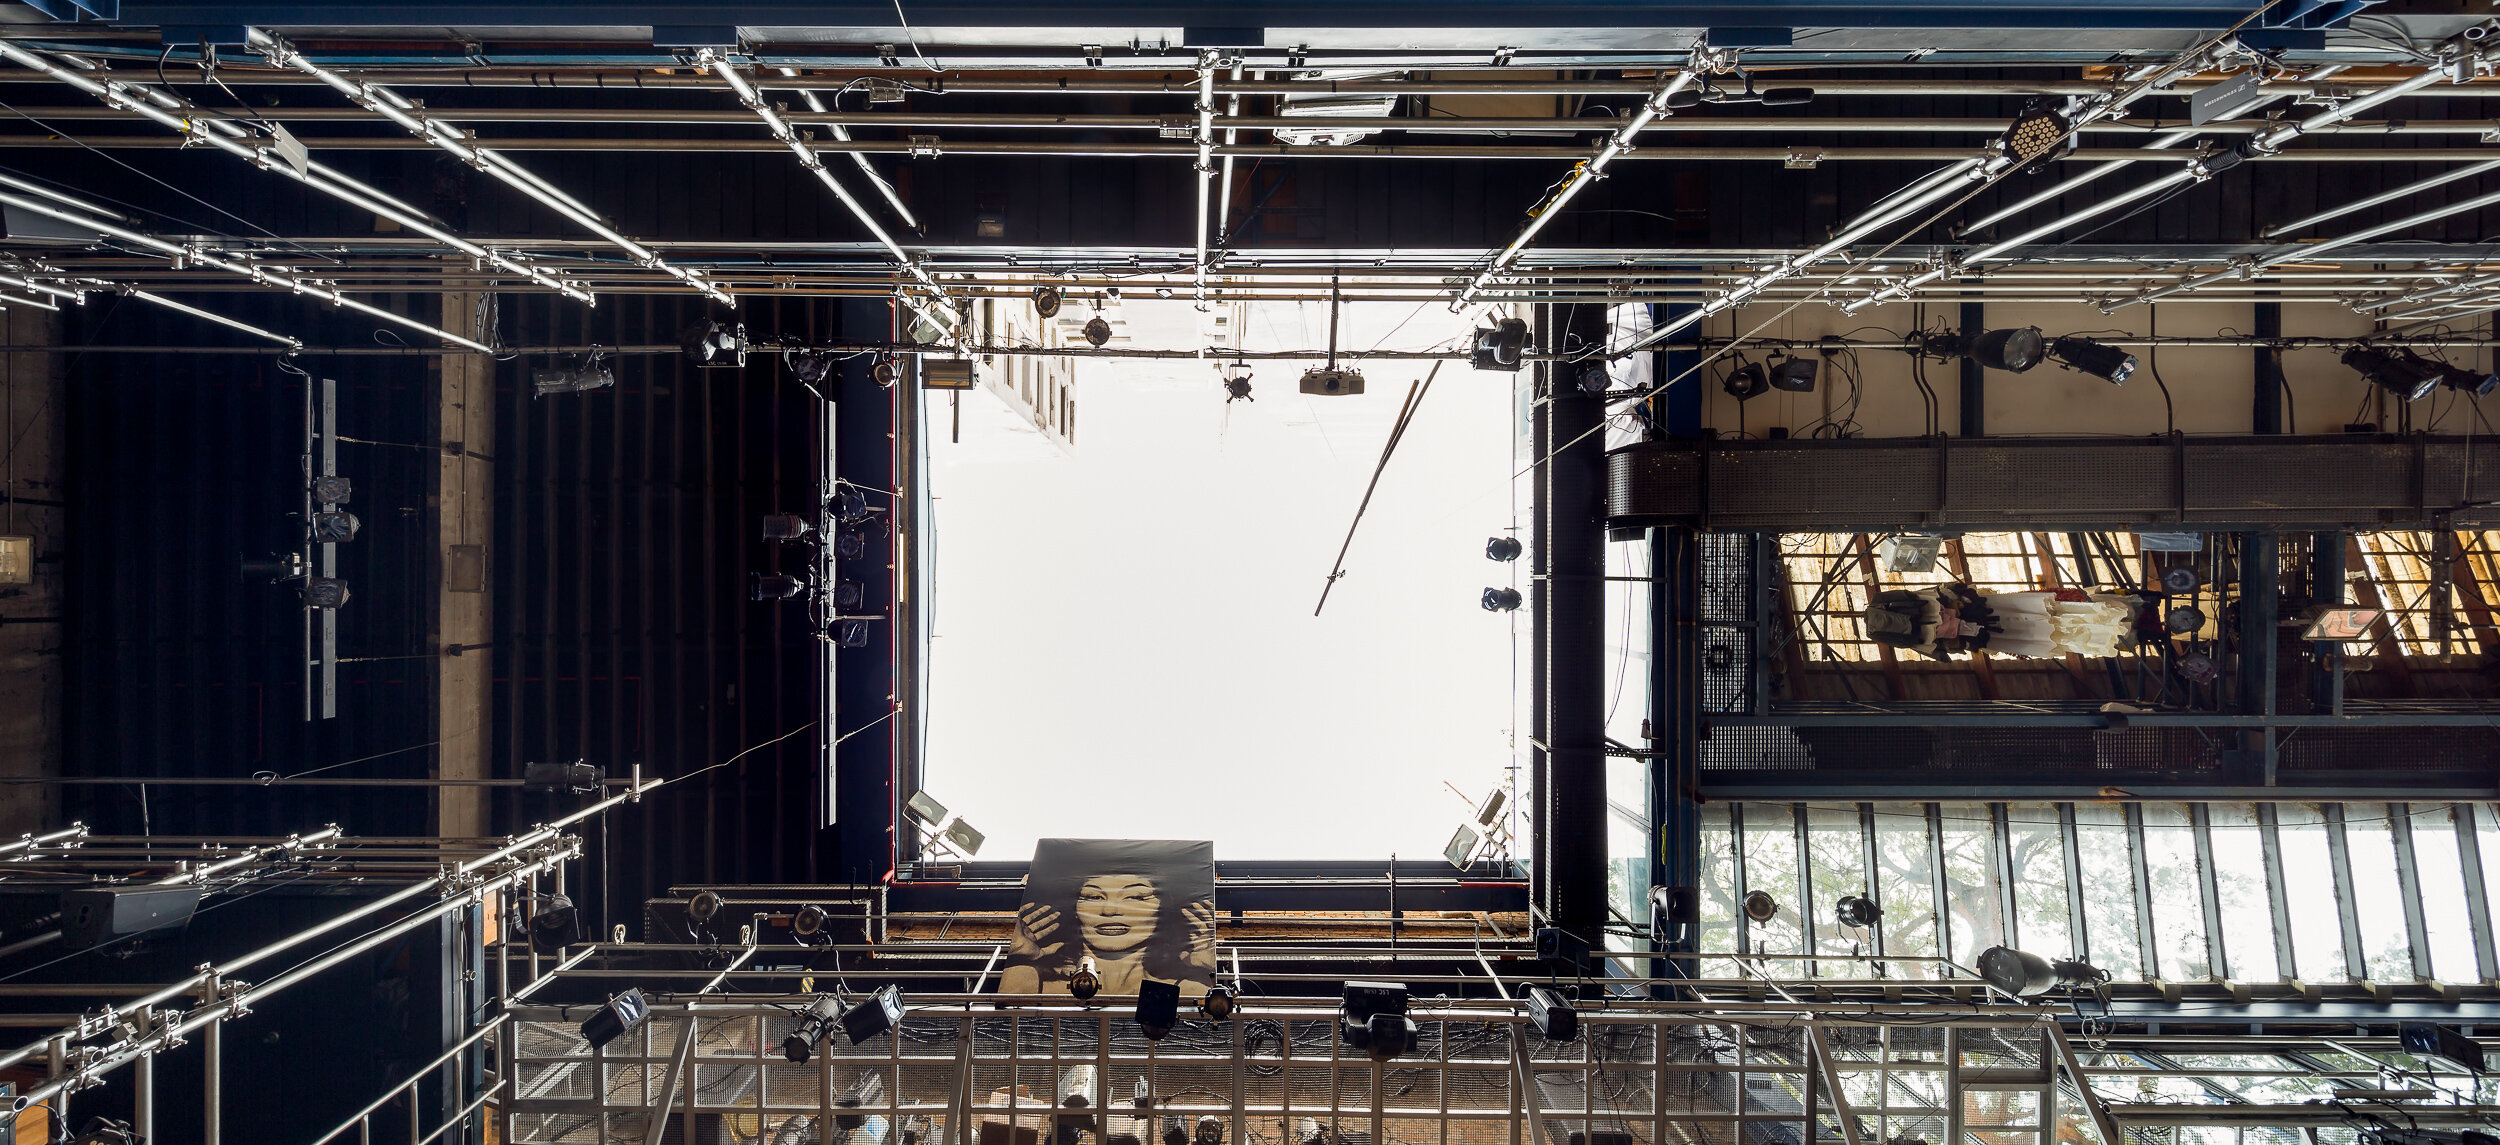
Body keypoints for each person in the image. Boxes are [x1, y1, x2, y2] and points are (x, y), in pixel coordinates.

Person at [1000, 870, 1216, 997]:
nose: (1110, 911)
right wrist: (1019, 963)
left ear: (1162, 909)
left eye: (1136, 897)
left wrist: (1208, 973)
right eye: (1094, 897)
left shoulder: (1185, 990)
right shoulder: (1034, 983)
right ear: (1075, 909)